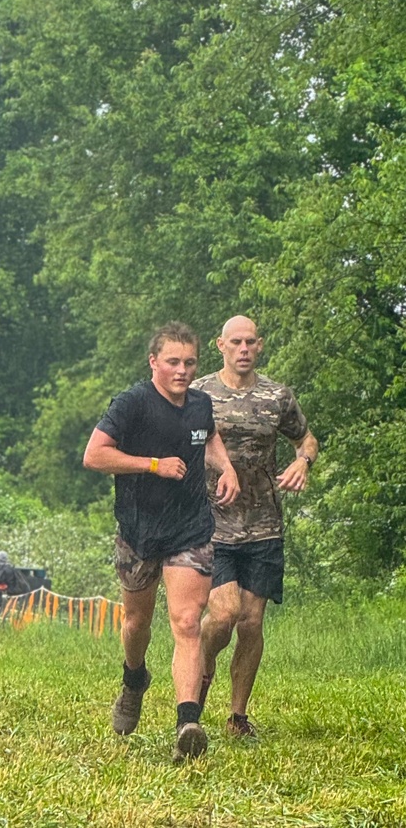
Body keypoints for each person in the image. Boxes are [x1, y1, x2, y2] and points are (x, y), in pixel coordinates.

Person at [82, 321, 240, 762]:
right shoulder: (132, 403)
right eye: (173, 362)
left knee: (187, 622)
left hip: (190, 529)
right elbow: (94, 456)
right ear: (154, 362)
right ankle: (134, 679)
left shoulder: (201, 405)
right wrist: (153, 464)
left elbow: (209, 438)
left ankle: (187, 722)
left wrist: (226, 468)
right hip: (138, 530)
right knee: (136, 624)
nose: (182, 370)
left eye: (190, 363)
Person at [194, 315, 318, 737]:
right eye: (236, 342)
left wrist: (303, 462)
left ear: (259, 346)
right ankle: (203, 662)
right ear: (220, 345)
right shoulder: (200, 393)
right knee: (223, 615)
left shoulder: (277, 396)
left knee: (251, 623)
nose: (243, 349)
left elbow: (306, 438)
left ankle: (237, 717)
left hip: (264, 524)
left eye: (250, 342)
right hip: (211, 522)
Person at [0, 550, 30, 629]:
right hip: (9, 597)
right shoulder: (10, 569)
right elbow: (1, 587)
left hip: (8, 598)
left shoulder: (5, 570)